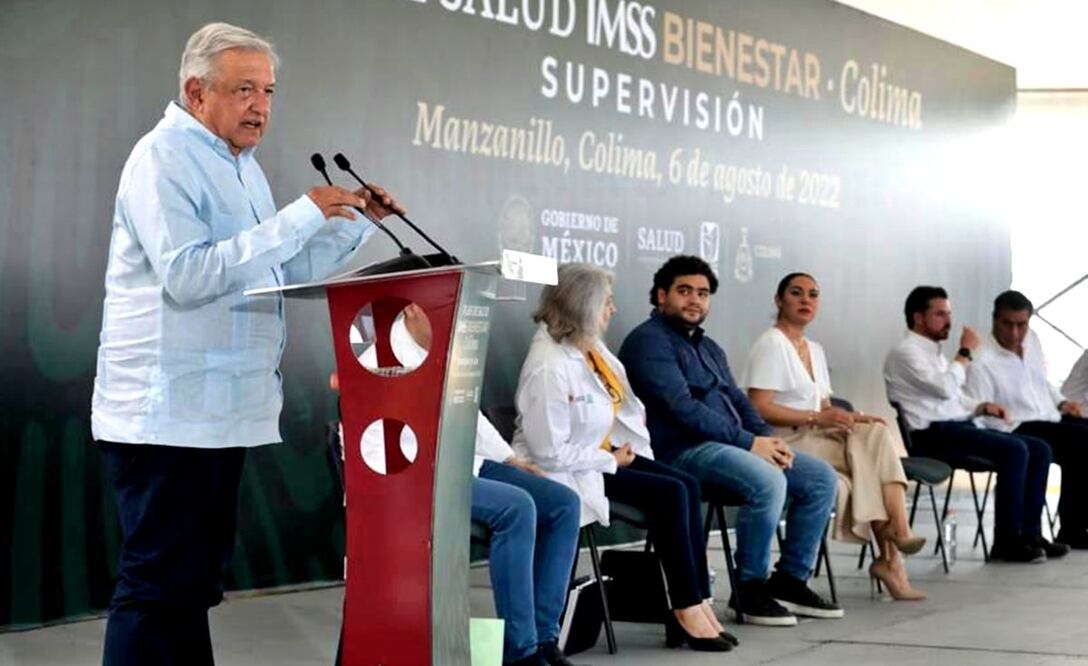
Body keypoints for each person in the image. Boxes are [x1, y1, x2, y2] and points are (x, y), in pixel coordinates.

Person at [90, 23, 405, 666]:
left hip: (219, 416)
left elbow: (274, 271)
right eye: (244, 90)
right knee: (155, 586)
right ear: (195, 91)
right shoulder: (163, 159)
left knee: (190, 586)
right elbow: (189, 273)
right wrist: (298, 215)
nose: (261, 106)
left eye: (268, 90)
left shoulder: (242, 169)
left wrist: (354, 227)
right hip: (165, 416)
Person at [512, 263, 736, 652]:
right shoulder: (548, 366)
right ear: (583, 306)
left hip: (602, 453)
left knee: (687, 484)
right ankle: (683, 608)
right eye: (606, 303)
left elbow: (619, 407)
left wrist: (618, 453)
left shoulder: (587, 347)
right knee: (668, 494)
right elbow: (549, 453)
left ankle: (698, 599)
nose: (612, 310)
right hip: (568, 467)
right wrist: (611, 459)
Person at [619, 255, 842, 627]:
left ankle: (789, 580)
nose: (695, 300)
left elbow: (738, 400)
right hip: (680, 452)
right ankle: (749, 589)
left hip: (729, 445)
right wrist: (749, 443)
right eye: (684, 291)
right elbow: (682, 408)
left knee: (820, 478)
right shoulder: (648, 342)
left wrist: (768, 439)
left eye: (703, 293)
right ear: (661, 296)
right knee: (767, 479)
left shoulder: (708, 347)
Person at [357, 305, 583, 666]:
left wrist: (510, 459)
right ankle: (520, 651)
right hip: (411, 474)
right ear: (415, 309)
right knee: (517, 507)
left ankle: (543, 638)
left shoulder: (441, 348)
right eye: (453, 309)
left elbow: (467, 413)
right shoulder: (381, 358)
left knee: (563, 503)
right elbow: (375, 443)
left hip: (463, 462)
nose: (462, 321)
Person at [742, 272, 925, 601]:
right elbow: (759, 408)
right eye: (796, 293)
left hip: (817, 435)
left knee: (876, 432)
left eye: (812, 294)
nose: (805, 300)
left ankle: (893, 547)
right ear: (779, 300)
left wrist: (848, 417)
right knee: (871, 461)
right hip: (784, 440)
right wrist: (818, 417)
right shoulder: (771, 344)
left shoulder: (815, 349)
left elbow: (823, 404)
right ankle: (893, 546)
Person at [884, 286, 1061, 563]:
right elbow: (943, 388)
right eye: (940, 314)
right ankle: (1006, 542)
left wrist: (980, 407)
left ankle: (1030, 533)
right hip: (931, 436)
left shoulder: (935, 353)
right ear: (919, 318)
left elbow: (955, 397)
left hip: (956, 428)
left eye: (949, 313)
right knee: (1015, 450)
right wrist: (964, 353)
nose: (948, 321)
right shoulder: (906, 353)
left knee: (1038, 448)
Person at [966, 290, 1088, 548]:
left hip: (1047, 416)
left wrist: (1062, 403)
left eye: (1021, 325)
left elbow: (1041, 382)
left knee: (1083, 433)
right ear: (994, 320)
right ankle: (1068, 528)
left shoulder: (1033, 340)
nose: (1014, 333)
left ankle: (1073, 526)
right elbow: (977, 411)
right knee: (1079, 440)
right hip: (1013, 425)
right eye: (1007, 324)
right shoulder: (981, 359)